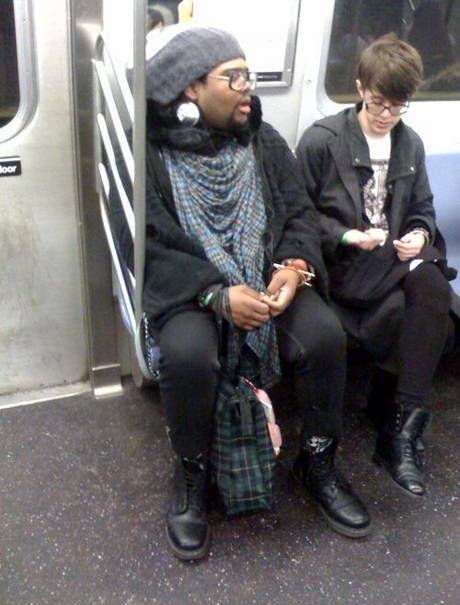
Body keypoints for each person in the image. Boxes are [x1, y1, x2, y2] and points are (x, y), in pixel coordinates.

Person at [113, 24, 372, 561]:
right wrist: (214, 293)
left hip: (264, 271)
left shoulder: (263, 139)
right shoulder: (150, 153)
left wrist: (295, 267)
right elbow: (144, 241)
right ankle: (190, 475)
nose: (247, 87)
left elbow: (298, 213)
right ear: (190, 88)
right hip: (194, 286)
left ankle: (317, 461)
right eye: (232, 78)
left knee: (324, 336)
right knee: (187, 353)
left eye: (248, 75)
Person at [296, 34, 456, 501]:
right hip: (344, 262)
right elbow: (299, 215)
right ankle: (394, 432)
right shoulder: (323, 140)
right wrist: (348, 236)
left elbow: (422, 208)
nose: (387, 115)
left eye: (398, 106)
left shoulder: (409, 144)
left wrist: (419, 235)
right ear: (360, 88)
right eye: (378, 103)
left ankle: (402, 429)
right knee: (435, 298)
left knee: (433, 288)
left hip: (391, 258)